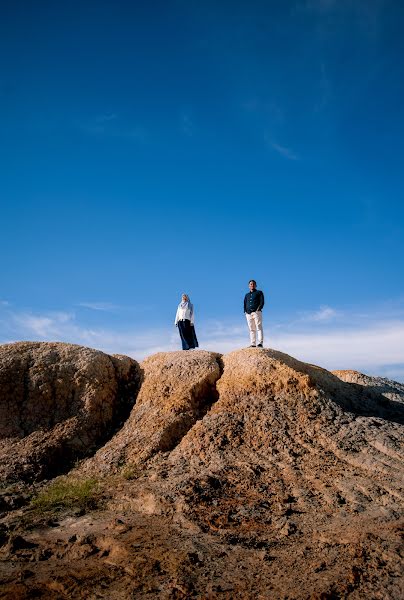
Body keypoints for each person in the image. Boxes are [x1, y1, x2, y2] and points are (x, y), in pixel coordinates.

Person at [244, 279, 265, 348]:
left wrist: (258, 309)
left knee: (258, 327)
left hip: (256, 312)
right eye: (250, 284)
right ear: (248, 286)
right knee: (251, 329)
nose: (252, 285)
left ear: (255, 285)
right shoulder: (246, 295)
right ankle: (253, 343)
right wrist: (245, 311)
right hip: (248, 313)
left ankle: (260, 343)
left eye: (253, 284)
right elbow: (245, 303)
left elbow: (262, 302)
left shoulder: (259, 292)